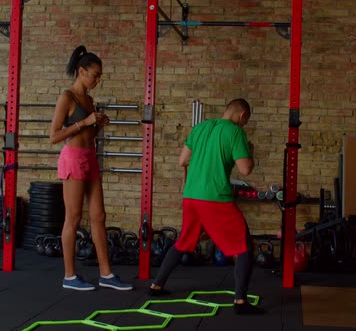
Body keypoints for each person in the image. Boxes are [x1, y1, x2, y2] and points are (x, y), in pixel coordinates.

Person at [148, 98, 265, 314]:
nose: (244, 125)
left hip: (191, 196)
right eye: (245, 121)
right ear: (242, 116)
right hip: (215, 197)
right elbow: (246, 169)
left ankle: (157, 285)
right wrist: (250, 151)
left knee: (184, 242)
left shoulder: (200, 128)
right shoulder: (235, 132)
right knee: (244, 245)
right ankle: (240, 301)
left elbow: (182, 160)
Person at [50, 45, 133, 291]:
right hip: (73, 158)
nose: (97, 79)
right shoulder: (67, 97)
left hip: (90, 157)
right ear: (81, 70)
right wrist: (85, 121)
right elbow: (54, 136)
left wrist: (98, 125)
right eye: (95, 74)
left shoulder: (89, 99)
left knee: (99, 216)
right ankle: (69, 276)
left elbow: (89, 133)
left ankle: (106, 274)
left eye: (99, 76)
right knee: (73, 218)